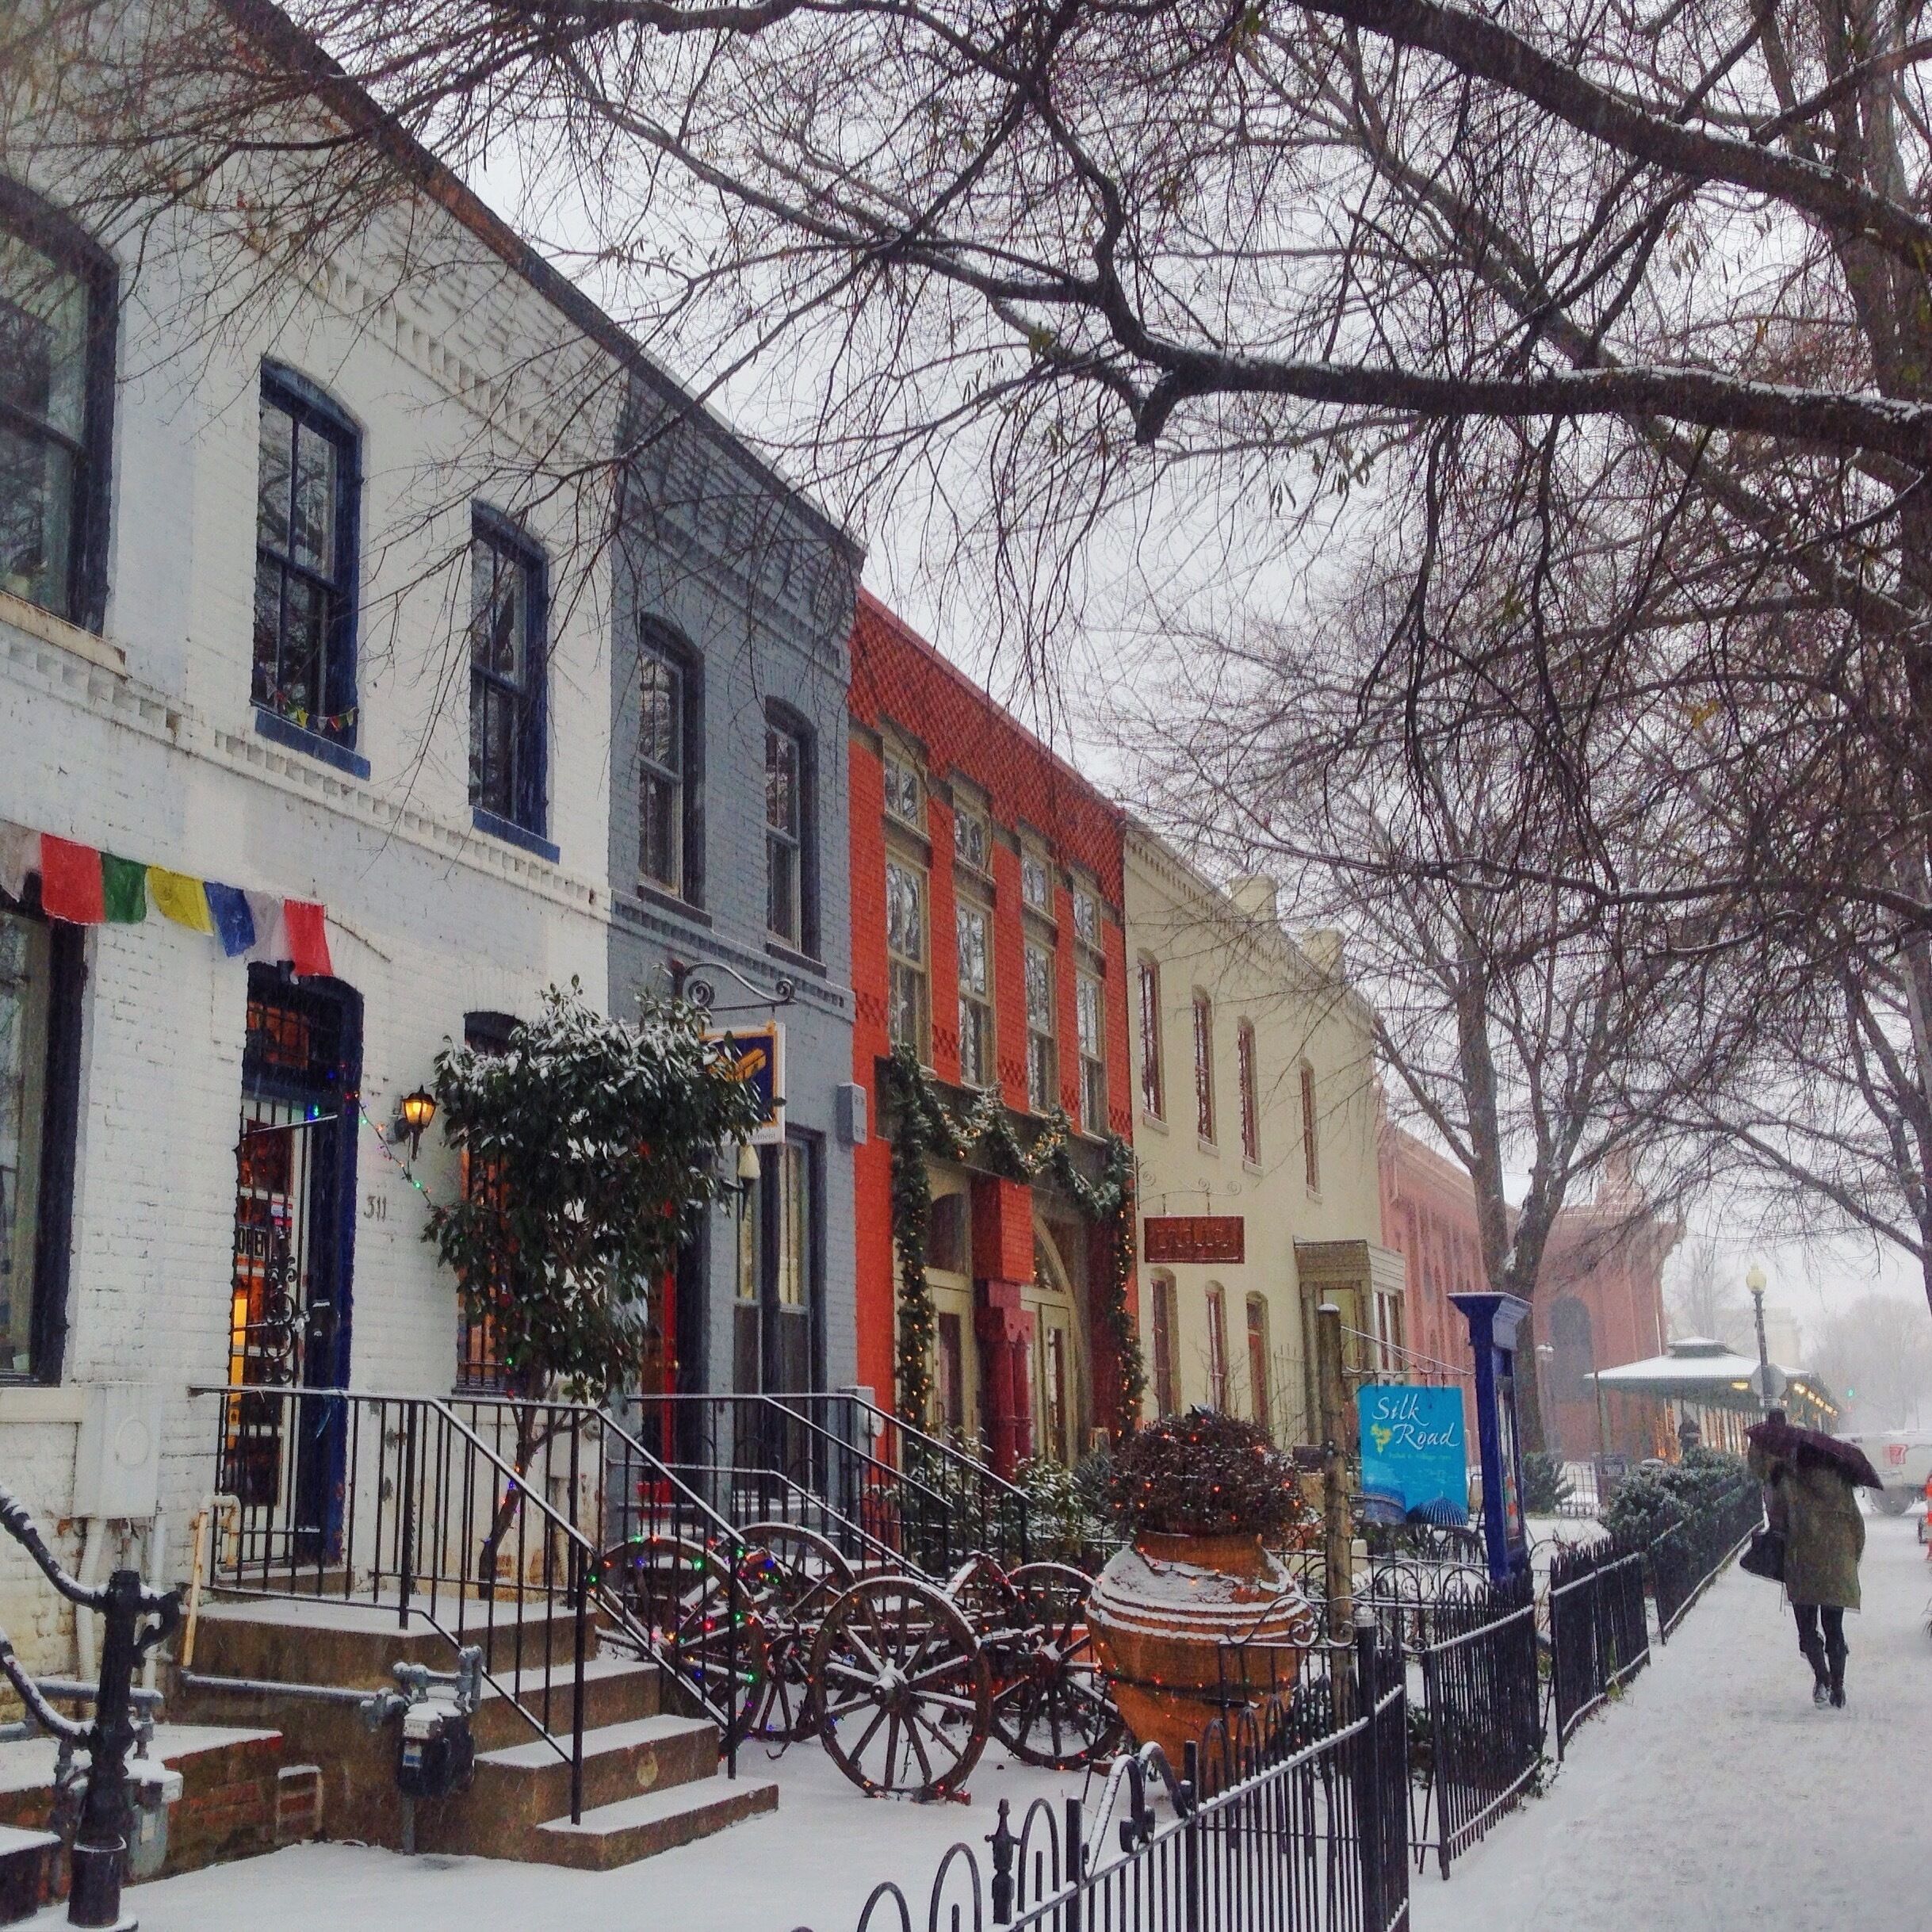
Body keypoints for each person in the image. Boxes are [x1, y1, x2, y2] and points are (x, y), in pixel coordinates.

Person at [1748, 1415, 1867, 1708]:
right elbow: (1858, 1529)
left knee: (1807, 1630)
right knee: (1834, 1628)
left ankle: (1822, 1679)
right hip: (1836, 1566)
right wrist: (1849, 1560)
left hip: (1802, 1563)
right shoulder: (1841, 1487)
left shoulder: (1790, 1482)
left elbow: (1777, 1519)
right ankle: (1839, 1688)